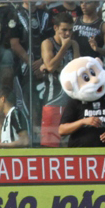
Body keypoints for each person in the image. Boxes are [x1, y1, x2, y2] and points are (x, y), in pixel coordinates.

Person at [39, 12, 81, 147]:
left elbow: (77, 71)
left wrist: (57, 67)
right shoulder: (47, 43)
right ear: (55, 28)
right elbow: (51, 67)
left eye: (70, 30)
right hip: (53, 100)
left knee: (71, 143)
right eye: (64, 30)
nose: (67, 33)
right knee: (50, 143)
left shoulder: (74, 44)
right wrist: (64, 47)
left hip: (72, 100)